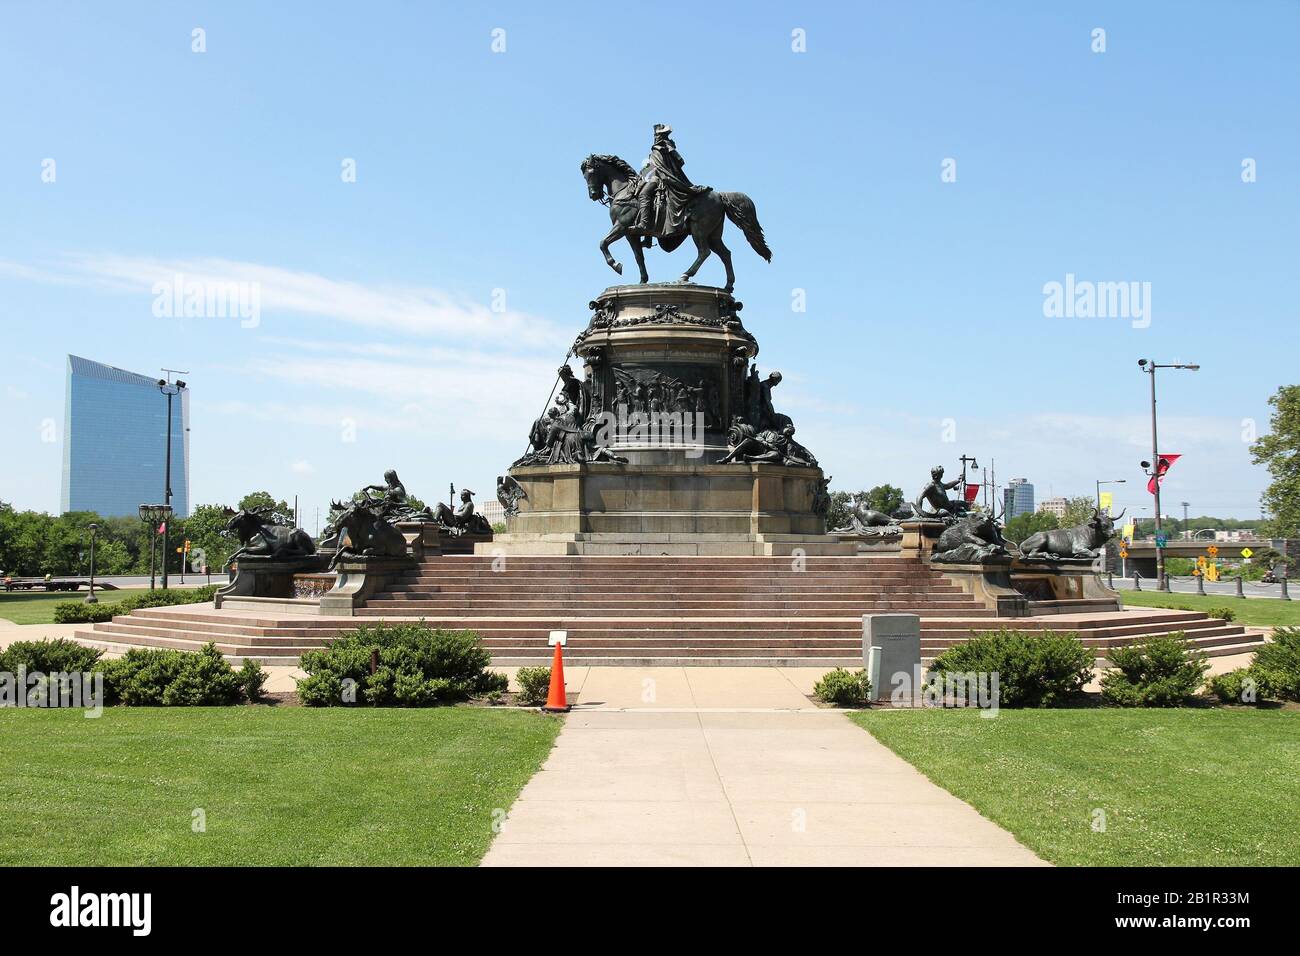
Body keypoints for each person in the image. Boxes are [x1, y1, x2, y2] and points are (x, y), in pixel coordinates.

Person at [637, 124, 712, 242]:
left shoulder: (664, 147)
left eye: (657, 134)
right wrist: (642, 174)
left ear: (662, 135)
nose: (655, 137)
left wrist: (661, 168)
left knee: (643, 195)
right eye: (655, 135)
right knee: (643, 195)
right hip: (656, 177)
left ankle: (644, 224)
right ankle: (648, 237)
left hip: (663, 178)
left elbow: (678, 162)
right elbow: (650, 168)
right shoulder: (658, 149)